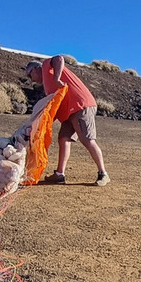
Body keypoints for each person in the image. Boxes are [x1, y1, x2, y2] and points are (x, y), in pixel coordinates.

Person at [23, 56, 110, 186]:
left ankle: (103, 174)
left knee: (87, 139)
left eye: (30, 75)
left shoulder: (46, 66)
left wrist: (57, 77)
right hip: (69, 112)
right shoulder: (47, 85)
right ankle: (59, 175)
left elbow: (59, 58)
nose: (31, 80)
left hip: (80, 105)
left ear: (36, 69)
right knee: (63, 138)